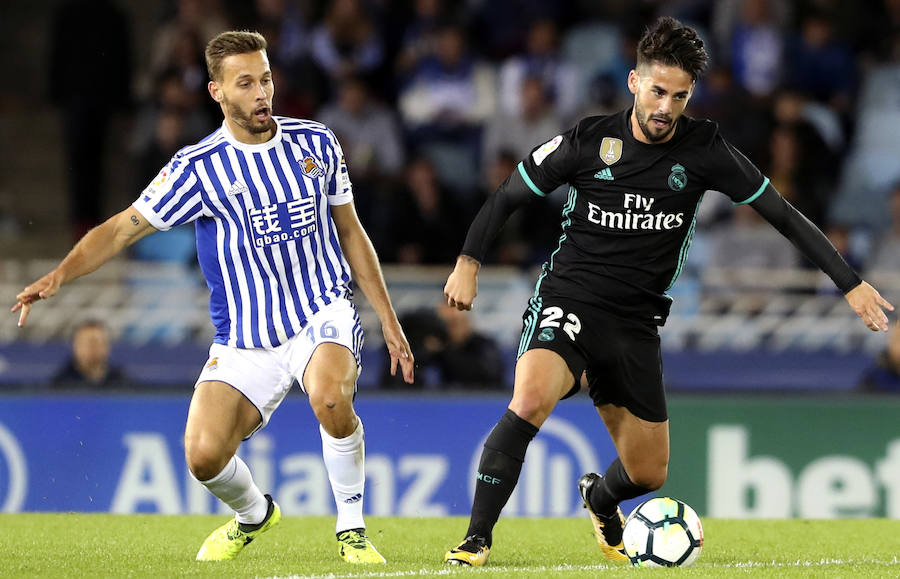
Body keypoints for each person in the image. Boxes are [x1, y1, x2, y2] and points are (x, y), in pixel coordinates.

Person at [441, 16, 893, 567]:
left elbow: (783, 216)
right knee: (531, 398)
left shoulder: (705, 150)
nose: (666, 108)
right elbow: (509, 194)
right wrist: (468, 261)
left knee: (648, 473)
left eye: (679, 97)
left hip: (636, 324)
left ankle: (599, 500)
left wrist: (850, 284)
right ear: (634, 82)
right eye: (657, 91)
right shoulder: (589, 141)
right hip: (571, 300)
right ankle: (476, 539)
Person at [13, 31, 414, 564]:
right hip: (246, 338)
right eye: (245, 83)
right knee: (202, 457)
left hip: (322, 309)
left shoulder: (317, 143)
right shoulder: (197, 169)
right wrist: (60, 275)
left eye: (266, 79)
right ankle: (254, 514)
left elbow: (351, 232)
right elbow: (120, 231)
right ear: (216, 92)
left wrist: (387, 318)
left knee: (331, 398)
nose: (261, 93)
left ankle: (351, 530)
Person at [51, 320, 129, 389]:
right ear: (75, 346)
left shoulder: (122, 383)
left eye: (96, 343)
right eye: (86, 343)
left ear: (107, 346)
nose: (92, 348)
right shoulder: (60, 385)